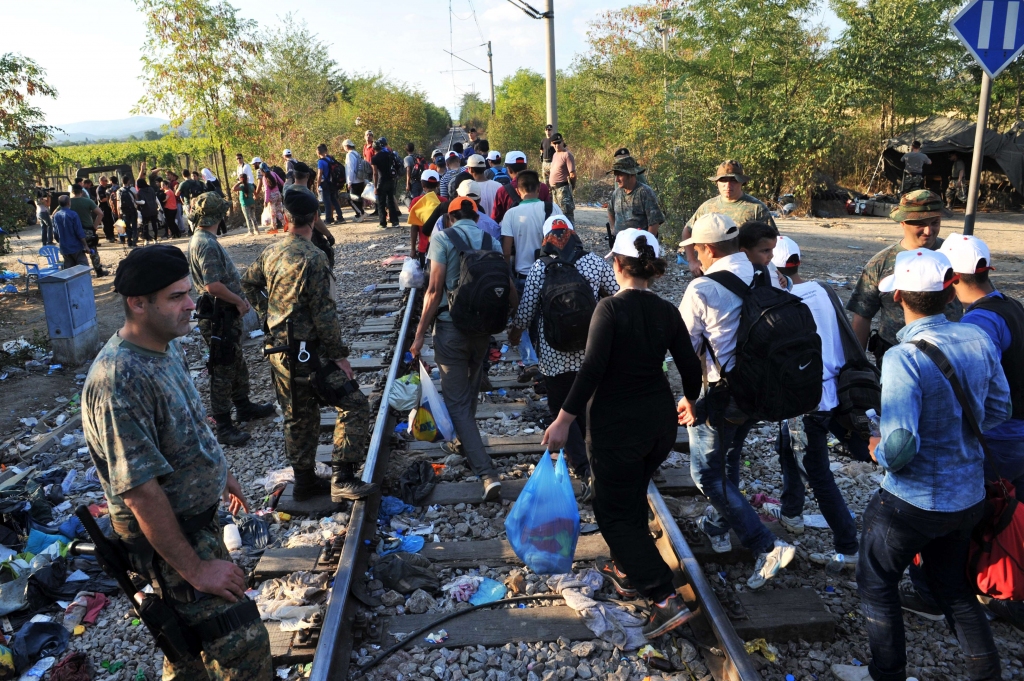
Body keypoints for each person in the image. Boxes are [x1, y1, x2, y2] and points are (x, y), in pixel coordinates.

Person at [81, 245, 272, 680]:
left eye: (188, 292)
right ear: (138, 303)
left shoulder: (165, 345)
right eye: (176, 297)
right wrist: (196, 570)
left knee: (189, 657)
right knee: (243, 647)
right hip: (171, 542)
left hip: (194, 525)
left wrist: (221, 472)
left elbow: (189, 422)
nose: (191, 304)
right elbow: (140, 492)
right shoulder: (119, 381)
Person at [831, 249, 1009, 681]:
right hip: (968, 495)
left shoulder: (902, 356)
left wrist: (877, 448)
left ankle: (886, 673)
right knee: (954, 589)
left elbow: (901, 447)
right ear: (949, 293)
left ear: (897, 298)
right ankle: (987, 673)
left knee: (876, 581)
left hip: (912, 501)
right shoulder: (978, 338)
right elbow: (1000, 409)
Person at [543, 228, 702, 639]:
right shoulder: (666, 310)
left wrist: (563, 420)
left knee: (611, 511)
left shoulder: (609, 309)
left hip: (617, 425)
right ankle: (628, 568)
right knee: (630, 495)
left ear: (616, 264)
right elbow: (690, 365)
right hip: (659, 424)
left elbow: (592, 369)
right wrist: (690, 400)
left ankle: (663, 598)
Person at [677, 213, 797, 588]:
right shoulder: (768, 273)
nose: (695, 256)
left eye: (696, 250)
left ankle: (767, 545)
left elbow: (686, 352)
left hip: (719, 395)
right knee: (728, 458)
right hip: (759, 392)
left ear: (708, 249)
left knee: (706, 474)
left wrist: (689, 398)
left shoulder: (701, 289)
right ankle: (717, 525)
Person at [241, 190, 376, 503]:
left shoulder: (271, 251)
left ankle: (304, 483)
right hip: (309, 353)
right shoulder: (314, 258)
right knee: (354, 404)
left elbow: (248, 282)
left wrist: (268, 315)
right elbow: (324, 314)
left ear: (285, 218)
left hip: (280, 351)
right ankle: (343, 478)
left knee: (297, 415)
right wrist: (339, 356)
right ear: (315, 218)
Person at [766, 236, 866, 572]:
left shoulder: (785, 300)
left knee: (818, 472)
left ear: (775, 271)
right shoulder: (823, 289)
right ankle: (791, 512)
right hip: (834, 389)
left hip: (807, 399)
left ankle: (848, 545)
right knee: (787, 446)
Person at [409, 197, 515, 502]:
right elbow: (508, 286)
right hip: (482, 331)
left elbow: (433, 290)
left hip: (450, 329)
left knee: (456, 401)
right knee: (467, 393)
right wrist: (515, 324)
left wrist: (419, 335)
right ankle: (463, 444)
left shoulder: (442, 238)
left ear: (450, 217)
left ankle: (486, 473)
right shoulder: (491, 241)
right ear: (476, 216)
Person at [512, 215, 618, 495]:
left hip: (553, 355)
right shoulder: (594, 262)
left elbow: (526, 311)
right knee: (591, 407)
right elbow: (617, 295)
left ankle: (584, 469)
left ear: (545, 238)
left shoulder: (540, 267)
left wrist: (515, 333)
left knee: (562, 411)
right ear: (573, 234)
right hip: (592, 350)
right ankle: (601, 460)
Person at [187, 193, 276, 446]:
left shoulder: (203, 239)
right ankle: (224, 426)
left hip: (224, 314)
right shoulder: (206, 243)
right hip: (220, 316)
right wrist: (238, 301)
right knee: (223, 369)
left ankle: (243, 406)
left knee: (235, 363)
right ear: (216, 215)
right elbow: (212, 285)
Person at [847, 190, 962, 369]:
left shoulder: (955, 254)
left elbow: (975, 297)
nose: (928, 231)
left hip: (950, 355)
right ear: (903, 223)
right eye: (920, 224)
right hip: (897, 359)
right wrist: (856, 367)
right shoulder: (881, 263)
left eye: (935, 223)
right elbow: (862, 316)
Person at [500, 169, 563, 384]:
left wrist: (507, 276)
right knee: (546, 319)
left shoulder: (511, 214)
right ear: (539, 188)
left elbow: (506, 251)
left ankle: (530, 361)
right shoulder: (552, 208)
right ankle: (546, 364)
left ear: (518, 190)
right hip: (550, 274)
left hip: (523, 276)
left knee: (521, 318)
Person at [681, 160, 775, 277]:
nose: (728, 185)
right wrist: (692, 261)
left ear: (742, 182)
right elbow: (687, 231)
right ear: (717, 182)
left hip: (745, 272)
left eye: (733, 180)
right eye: (723, 180)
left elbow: (771, 241)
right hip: (712, 272)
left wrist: (774, 270)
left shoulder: (756, 208)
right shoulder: (707, 207)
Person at [607, 156, 664, 237]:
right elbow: (610, 211)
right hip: (619, 242)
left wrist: (647, 242)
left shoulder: (645, 192)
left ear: (631, 175)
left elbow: (654, 222)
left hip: (638, 242)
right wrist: (613, 229)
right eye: (616, 175)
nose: (616, 180)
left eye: (620, 175)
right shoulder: (616, 193)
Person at [491, 151, 553, 224]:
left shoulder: (502, 191)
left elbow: (495, 219)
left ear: (509, 170)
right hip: (541, 229)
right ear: (526, 167)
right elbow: (549, 212)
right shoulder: (542, 187)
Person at [66, 186, 107, 275]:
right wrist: (94, 226)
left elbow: (55, 214)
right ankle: (98, 271)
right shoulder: (88, 201)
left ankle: (78, 272)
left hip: (73, 232)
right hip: (87, 230)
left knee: (76, 251)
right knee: (93, 250)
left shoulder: (68, 203)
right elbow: (100, 214)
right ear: (81, 192)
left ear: (72, 192)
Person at [408, 169, 442, 260]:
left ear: (422, 185)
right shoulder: (444, 201)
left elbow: (414, 227)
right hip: (441, 247)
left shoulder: (416, 201)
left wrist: (412, 249)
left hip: (423, 248)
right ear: (438, 184)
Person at [52, 195, 90, 269]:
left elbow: (55, 233)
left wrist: (62, 242)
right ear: (68, 203)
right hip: (76, 246)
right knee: (83, 267)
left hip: (64, 248)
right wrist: (85, 245)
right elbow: (79, 232)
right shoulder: (73, 214)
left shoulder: (56, 216)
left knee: (69, 270)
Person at [370, 137, 401, 228]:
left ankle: (383, 223)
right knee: (391, 201)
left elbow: (375, 173)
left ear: (374, 149)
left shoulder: (374, 158)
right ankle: (395, 222)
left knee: (381, 203)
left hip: (381, 181)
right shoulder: (389, 154)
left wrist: (375, 186)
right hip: (391, 180)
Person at [547, 134, 577, 224]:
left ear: (563, 142)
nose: (556, 145)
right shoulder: (555, 154)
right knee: (557, 216)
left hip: (563, 189)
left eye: (558, 143)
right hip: (554, 190)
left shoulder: (567, 155)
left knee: (567, 216)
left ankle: (571, 232)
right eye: (554, 143)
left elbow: (572, 174)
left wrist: (572, 186)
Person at [316, 143, 345, 225]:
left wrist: (317, 185)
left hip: (326, 183)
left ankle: (328, 219)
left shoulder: (321, 162)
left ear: (318, 152)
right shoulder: (330, 159)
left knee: (327, 202)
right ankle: (340, 217)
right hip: (333, 183)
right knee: (334, 200)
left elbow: (320, 174)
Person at [257, 163, 285, 234]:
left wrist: (266, 201)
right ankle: (285, 224)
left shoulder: (264, 178)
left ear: (261, 170)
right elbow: (282, 182)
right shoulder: (273, 173)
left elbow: (267, 190)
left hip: (272, 196)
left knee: (273, 213)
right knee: (278, 211)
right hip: (278, 194)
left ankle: (274, 228)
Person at [343, 139, 366, 222]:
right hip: (360, 179)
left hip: (354, 181)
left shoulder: (349, 155)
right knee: (358, 198)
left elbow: (350, 169)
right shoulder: (357, 154)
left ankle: (360, 213)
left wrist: (349, 182)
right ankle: (360, 213)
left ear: (346, 146)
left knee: (351, 199)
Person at [177, 170, 206, 235]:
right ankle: (201, 231)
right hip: (198, 202)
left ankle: (195, 233)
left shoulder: (183, 183)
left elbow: (177, 193)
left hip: (188, 203)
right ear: (189, 174)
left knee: (191, 219)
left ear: (183, 175)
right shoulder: (197, 182)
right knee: (199, 217)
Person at [135, 178, 162, 243]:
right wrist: (159, 207)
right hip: (153, 209)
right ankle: (155, 239)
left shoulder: (140, 191)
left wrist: (135, 201)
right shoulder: (151, 189)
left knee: (145, 225)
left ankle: (146, 240)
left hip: (145, 211)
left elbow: (143, 202)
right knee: (154, 224)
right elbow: (155, 198)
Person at [117, 176, 140, 247]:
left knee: (127, 226)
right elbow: (137, 199)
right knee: (134, 225)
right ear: (128, 181)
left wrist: (119, 213)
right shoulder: (132, 189)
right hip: (132, 209)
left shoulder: (119, 191)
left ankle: (129, 241)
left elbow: (118, 203)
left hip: (124, 211)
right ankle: (134, 241)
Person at [97, 175, 116, 242]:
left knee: (111, 222)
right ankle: (108, 237)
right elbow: (102, 199)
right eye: (105, 180)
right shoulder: (100, 189)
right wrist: (110, 198)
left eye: (107, 180)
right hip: (104, 208)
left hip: (109, 207)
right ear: (101, 181)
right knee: (106, 223)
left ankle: (112, 236)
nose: (107, 182)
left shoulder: (107, 187)